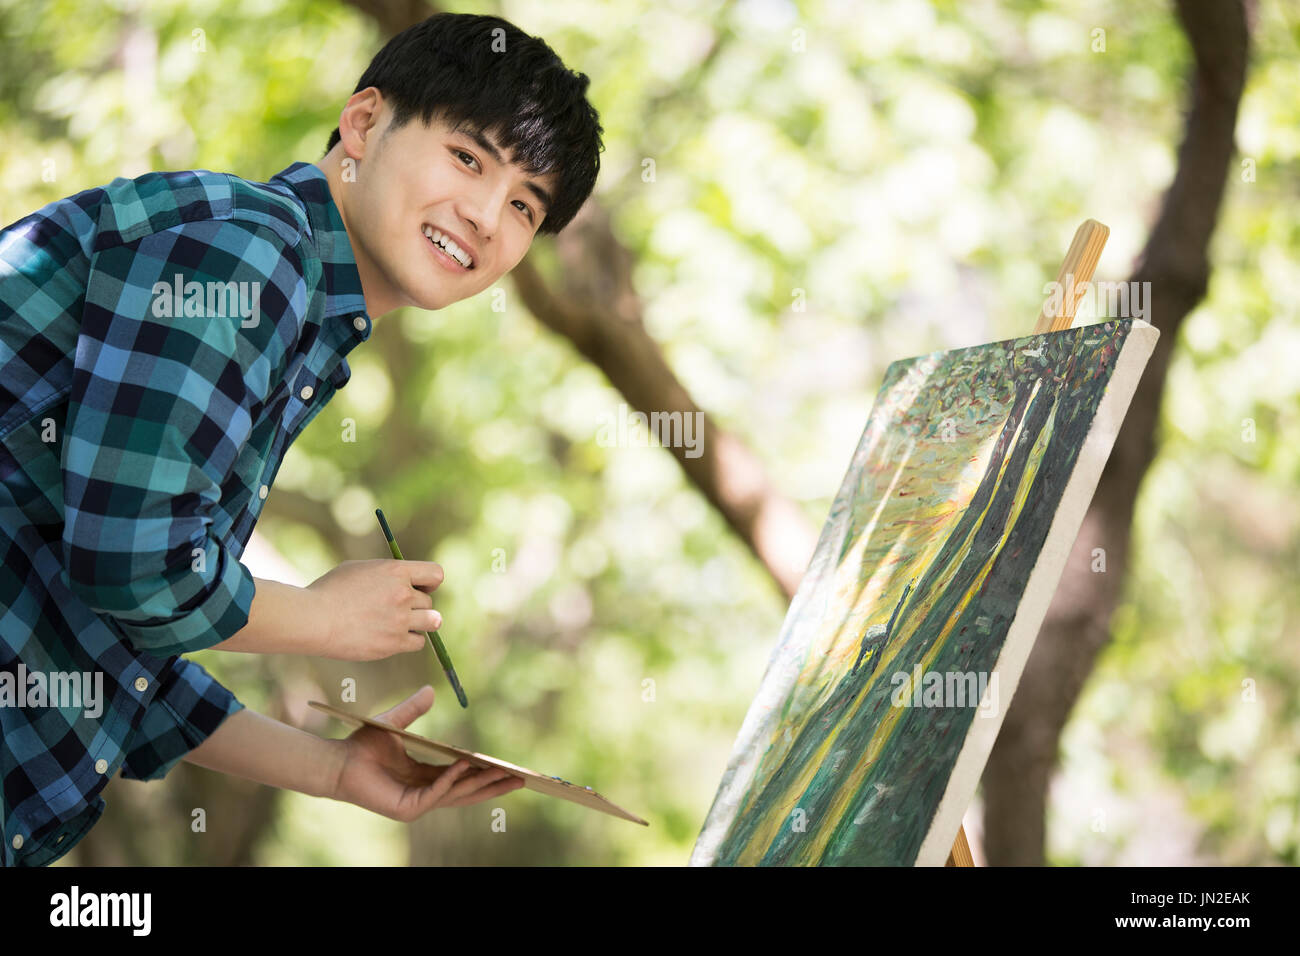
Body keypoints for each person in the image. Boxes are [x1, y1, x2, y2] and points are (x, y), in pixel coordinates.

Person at [0, 11, 604, 865]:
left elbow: (115, 645)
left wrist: (333, 771)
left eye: (522, 206)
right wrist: (322, 617)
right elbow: (132, 567)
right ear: (363, 122)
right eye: (468, 158)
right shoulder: (249, 254)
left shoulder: (300, 312)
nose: (483, 215)